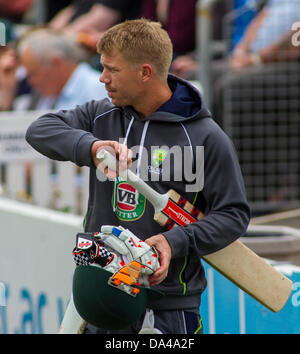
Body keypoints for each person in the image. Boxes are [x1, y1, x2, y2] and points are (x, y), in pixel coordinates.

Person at [25, 19, 250, 334]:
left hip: (169, 307)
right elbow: (40, 129)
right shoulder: (100, 116)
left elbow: (233, 215)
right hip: (98, 296)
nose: (102, 78)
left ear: (145, 72)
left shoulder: (206, 137)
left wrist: (176, 241)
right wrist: (91, 147)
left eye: (112, 70)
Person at [13, 29, 108, 110]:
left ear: (55, 63)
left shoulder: (96, 89)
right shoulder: (45, 94)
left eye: (33, 74)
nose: (30, 82)